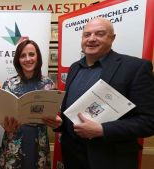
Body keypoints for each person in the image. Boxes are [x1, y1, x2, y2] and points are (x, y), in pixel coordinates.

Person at [56, 18, 154, 169]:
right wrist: (60, 123)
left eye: (100, 34)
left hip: (110, 159)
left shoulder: (135, 68)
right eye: (87, 34)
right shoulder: (74, 68)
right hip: (73, 157)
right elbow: (72, 111)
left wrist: (102, 130)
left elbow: (149, 121)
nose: (92, 39)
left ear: (112, 38)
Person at [0, 39, 61, 169]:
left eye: (31, 54)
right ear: (18, 60)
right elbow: (2, 116)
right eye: (22, 56)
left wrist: (55, 120)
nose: (27, 59)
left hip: (39, 141)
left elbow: (54, 115)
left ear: (37, 56)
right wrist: (6, 125)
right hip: (14, 141)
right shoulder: (8, 84)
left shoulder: (48, 84)